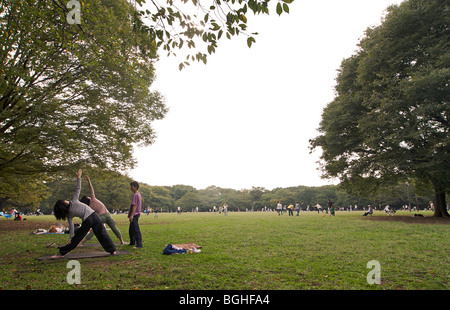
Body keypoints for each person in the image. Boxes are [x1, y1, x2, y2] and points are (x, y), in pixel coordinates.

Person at [51, 169, 116, 258]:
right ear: (64, 204)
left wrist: (71, 238)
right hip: (93, 216)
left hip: (90, 218)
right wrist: (78, 178)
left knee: (79, 237)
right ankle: (112, 250)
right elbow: (78, 188)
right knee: (102, 234)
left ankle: (62, 253)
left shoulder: (69, 213)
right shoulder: (74, 200)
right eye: (64, 201)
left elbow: (71, 226)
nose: (65, 200)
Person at [79, 175, 124, 246]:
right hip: (107, 214)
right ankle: (122, 241)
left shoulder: (89, 207)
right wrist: (89, 181)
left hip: (101, 217)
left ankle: (81, 242)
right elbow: (91, 189)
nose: (88, 196)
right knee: (114, 228)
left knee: (94, 231)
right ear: (87, 199)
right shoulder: (93, 199)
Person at [128, 181, 143, 249]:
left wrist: (131, 215)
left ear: (135, 187)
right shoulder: (138, 194)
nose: (131, 188)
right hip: (136, 214)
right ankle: (132, 242)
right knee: (131, 229)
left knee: (136, 229)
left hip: (135, 214)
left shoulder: (135, 195)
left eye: (132, 186)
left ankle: (139, 244)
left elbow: (134, 205)